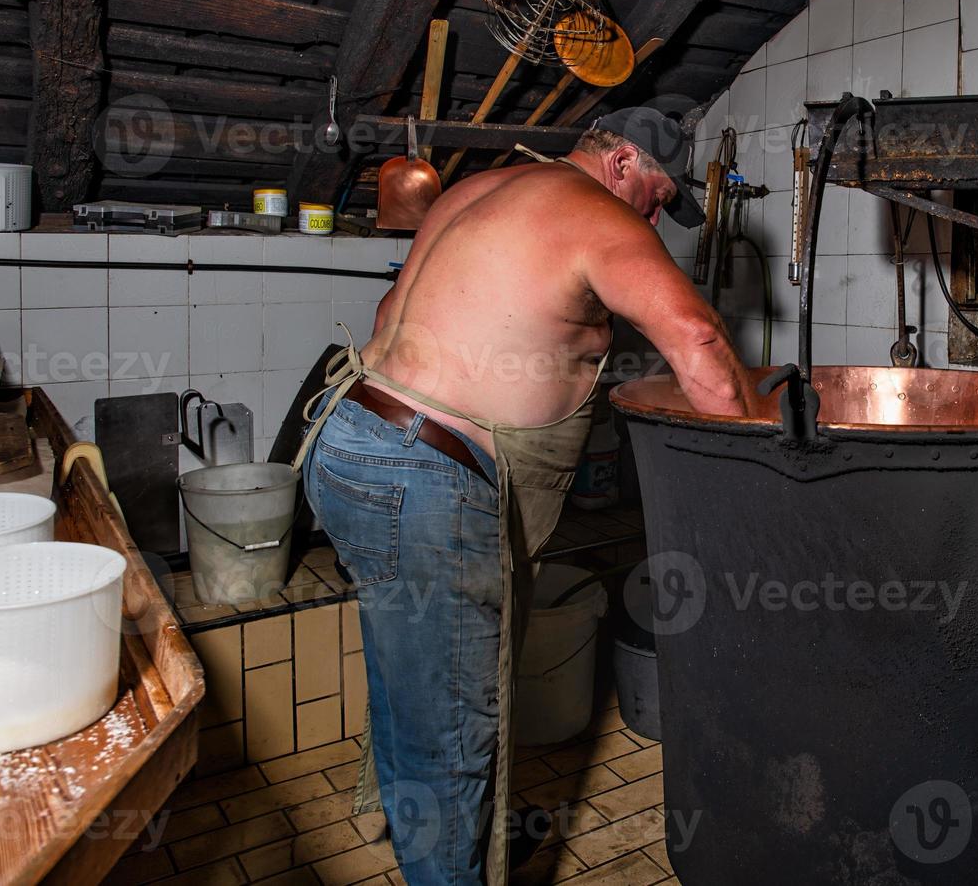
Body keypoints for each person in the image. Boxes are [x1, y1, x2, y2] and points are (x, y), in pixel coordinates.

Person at [295, 107, 753, 886]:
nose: (651, 215)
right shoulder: (597, 213)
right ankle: (449, 863)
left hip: (351, 441)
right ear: (620, 166)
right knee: (453, 726)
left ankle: (453, 823)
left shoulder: (482, 188)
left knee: (416, 675)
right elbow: (700, 341)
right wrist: (754, 470)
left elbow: (387, 316)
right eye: (655, 194)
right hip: (424, 475)